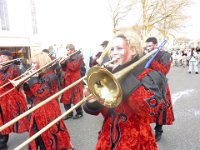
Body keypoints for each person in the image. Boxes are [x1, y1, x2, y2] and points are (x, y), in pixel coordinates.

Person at [83, 32, 168, 149]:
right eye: (112, 49)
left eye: (119, 48)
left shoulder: (148, 74)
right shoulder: (107, 74)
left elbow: (149, 110)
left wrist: (123, 76)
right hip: (108, 137)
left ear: (133, 50)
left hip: (137, 140)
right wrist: (92, 102)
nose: (113, 53)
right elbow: (103, 109)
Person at [23, 52, 73, 149]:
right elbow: (31, 95)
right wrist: (26, 85)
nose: (32, 66)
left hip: (49, 111)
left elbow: (41, 93)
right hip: (37, 110)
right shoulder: (39, 76)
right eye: (32, 64)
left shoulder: (51, 76)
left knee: (50, 137)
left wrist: (32, 80)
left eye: (34, 63)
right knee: (39, 137)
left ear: (41, 63)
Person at [146, 37, 175, 141]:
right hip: (148, 84)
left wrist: (152, 59)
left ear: (156, 45)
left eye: (150, 46)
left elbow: (164, 71)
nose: (148, 48)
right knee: (147, 108)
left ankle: (159, 130)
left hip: (160, 86)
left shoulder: (165, 55)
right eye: (147, 46)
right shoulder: (147, 54)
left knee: (160, 110)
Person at [0, 50, 29, 150]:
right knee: (2, 121)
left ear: (9, 58)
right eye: (0, 57)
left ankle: (36, 134)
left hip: (14, 98)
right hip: (1, 99)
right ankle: (2, 144)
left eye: (3, 56)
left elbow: (23, 78)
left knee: (23, 118)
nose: (1, 58)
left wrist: (21, 66)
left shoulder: (15, 67)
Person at [60, 44, 84, 119]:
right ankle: (69, 113)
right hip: (67, 80)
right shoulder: (68, 57)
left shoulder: (78, 57)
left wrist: (66, 60)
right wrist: (62, 64)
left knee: (76, 97)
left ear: (73, 50)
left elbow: (73, 67)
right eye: (67, 50)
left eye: (69, 50)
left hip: (75, 80)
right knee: (66, 98)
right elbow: (64, 69)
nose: (68, 51)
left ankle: (79, 112)